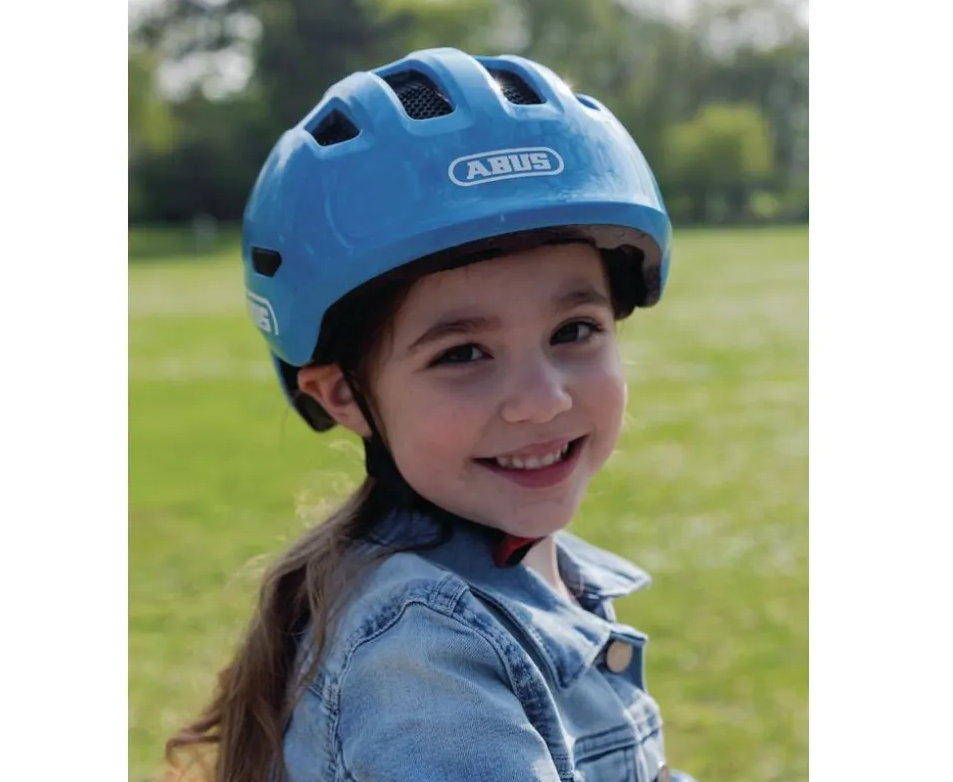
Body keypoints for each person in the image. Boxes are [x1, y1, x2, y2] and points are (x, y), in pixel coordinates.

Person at [167, 47, 698, 782]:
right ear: (343, 394)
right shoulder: (426, 662)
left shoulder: (518, 579)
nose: (543, 399)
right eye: (464, 353)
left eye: (574, 330)